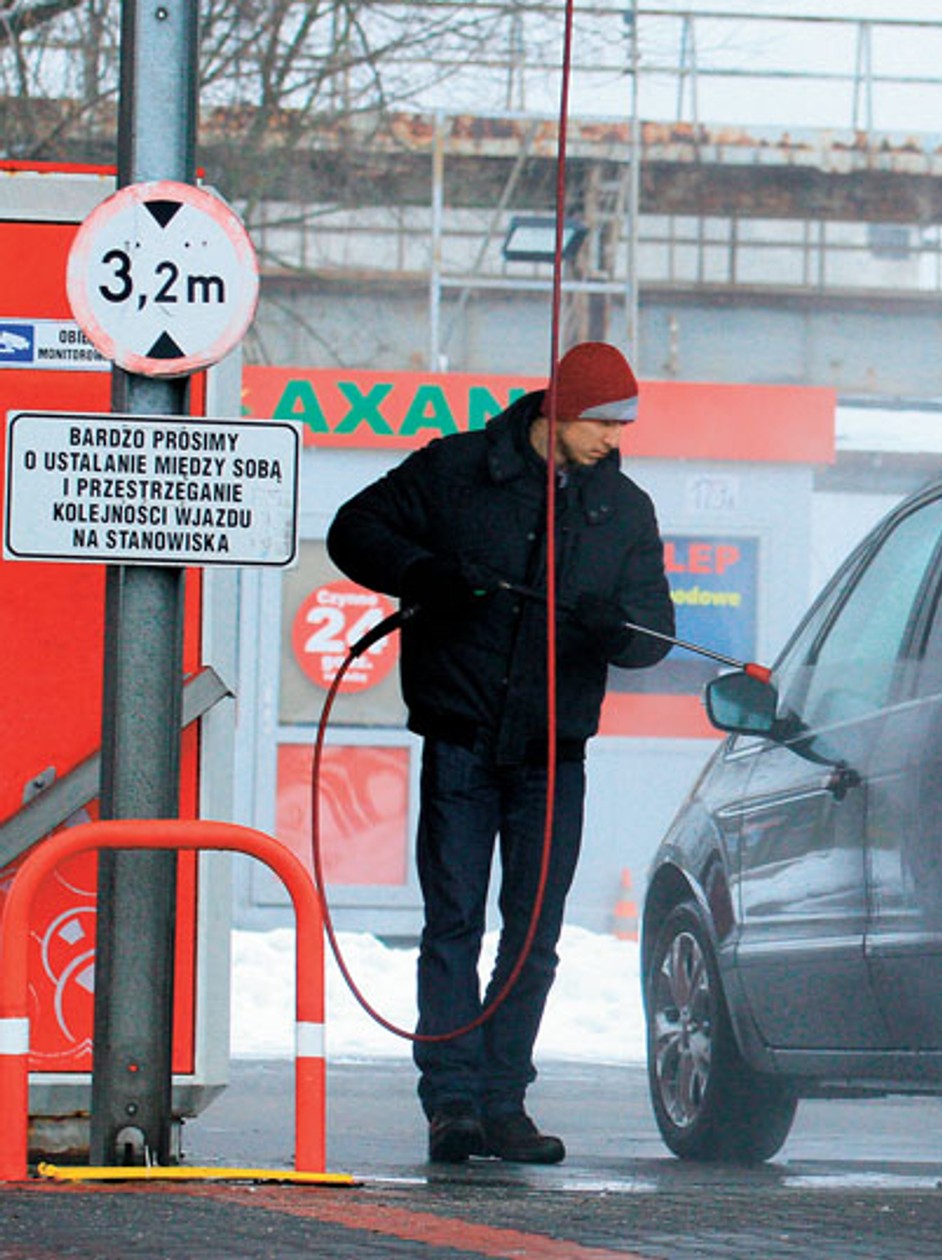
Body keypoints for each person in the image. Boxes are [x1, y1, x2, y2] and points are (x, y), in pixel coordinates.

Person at [328, 341, 674, 1164]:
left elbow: (652, 632)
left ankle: (503, 1099)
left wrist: (615, 632)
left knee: (533, 935)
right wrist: (425, 572)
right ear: (560, 412)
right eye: (602, 422)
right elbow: (355, 530)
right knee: (453, 925)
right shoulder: (455, 471)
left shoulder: (625, 509)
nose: (614, 439)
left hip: (555, 757)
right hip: (461, 742)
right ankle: (452, 1104)